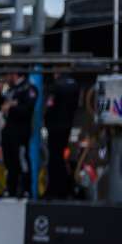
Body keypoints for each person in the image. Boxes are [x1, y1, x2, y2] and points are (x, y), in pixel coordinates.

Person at [0, 71, 38, 200]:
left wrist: (11, 107)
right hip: (8, 130)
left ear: (15, 74)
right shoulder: (10, 90)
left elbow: (27, 109)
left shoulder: (28, 88)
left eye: (8, 74)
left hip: (21, 131)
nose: (6, 77)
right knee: (9, 160)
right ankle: (11, 188)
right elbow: (0, 107)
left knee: (21, 158)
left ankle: (25, 189)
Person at [43, 72, 81, 200]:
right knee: (60, 157)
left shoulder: (56, 86)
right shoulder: (74, 85)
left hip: (55, 126)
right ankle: (65, 188)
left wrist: (47, 120)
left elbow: (50, 106)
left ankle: (55, 189)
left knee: (54, 158)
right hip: (67, 125)